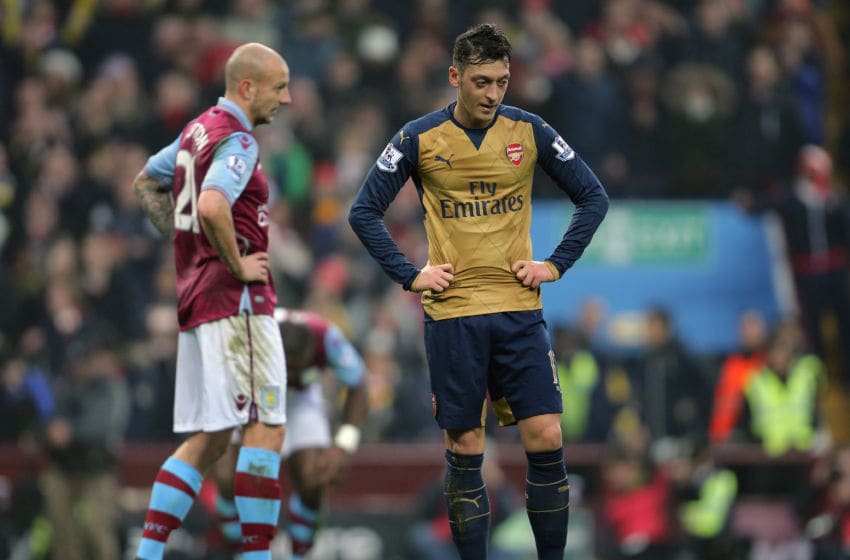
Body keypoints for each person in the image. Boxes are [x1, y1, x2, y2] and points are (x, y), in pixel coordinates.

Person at [348, 23, 609, 560]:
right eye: (482, 81)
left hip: (518, 310)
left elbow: (593, 197)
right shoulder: (418, 138)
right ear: (455, 77)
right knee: (466, 447)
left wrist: (556, 265)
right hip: (454, 316)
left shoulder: (530, 131)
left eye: (502, 81)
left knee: (546, 438)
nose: (493, 94)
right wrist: (410, 273)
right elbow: (363, 211)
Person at [131, 42, 292, 560]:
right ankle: (257, 555)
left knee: (216, 436)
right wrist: (234, 262)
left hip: (198, 302)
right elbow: (211, 203)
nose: (286, 99)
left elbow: (146, 183)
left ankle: (149, 554)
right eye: (279, 87)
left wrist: (191, 247)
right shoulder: (238, 140)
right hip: (236, 302)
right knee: (267, 425)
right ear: (247, 87)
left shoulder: (196, 130)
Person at [210, 307, 369, 560]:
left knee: (314, 478)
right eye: (288, 368)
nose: (292, 375)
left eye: (299, 368)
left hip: (301, 401)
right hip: (248, 393)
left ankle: (300, 552)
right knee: (229, 475)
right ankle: (238, 547)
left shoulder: (325, 336)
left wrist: (344, 444)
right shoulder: (245, 338)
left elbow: (359, 384)